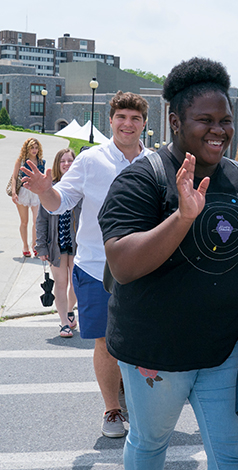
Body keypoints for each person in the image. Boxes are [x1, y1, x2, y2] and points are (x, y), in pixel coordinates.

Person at [98, 57, 238, 469]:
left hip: (226, 348)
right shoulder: (142, 178)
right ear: (175, 121)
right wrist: (182, 217)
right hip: (156, 351)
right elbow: (123, 264)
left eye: (226, 120)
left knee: (233, 456)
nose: (219, 130)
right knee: (149, 444)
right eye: (205, 120)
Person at [22, 91, 152, 438]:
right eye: (121, 117)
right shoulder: (91, 160)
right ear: (110, 120)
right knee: (105, 342)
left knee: (144, 342)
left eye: (135, 119)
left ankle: (135, 398)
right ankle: (112, 410)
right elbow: (59, 202)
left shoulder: (154, 162)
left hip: (145, 269)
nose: (127, 124)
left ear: (143, 124)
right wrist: (44, 190)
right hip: (97, 268)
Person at [34, 148, 80, 338]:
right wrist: (41, 246)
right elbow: (41, 219)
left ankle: (69, 310)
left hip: (78, 245)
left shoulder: (81, 187)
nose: (67, 164)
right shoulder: (49, 188)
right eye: (63, 161)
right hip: (56, 245)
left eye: (70, 161)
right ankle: (64, 323)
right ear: (57, 164)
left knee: (76, 283)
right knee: (61, 284)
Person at [11, 137, 45, 257]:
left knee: (36, 220)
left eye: (36, 148)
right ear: (27, 148)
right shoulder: (21, 160)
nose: (34, 150)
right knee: (24, 222)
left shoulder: (41, 162)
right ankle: (25, 245)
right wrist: (14, 193)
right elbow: (14, 177)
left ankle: (34, 245)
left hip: (36, 193)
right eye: (32, 148)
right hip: (23, 192)